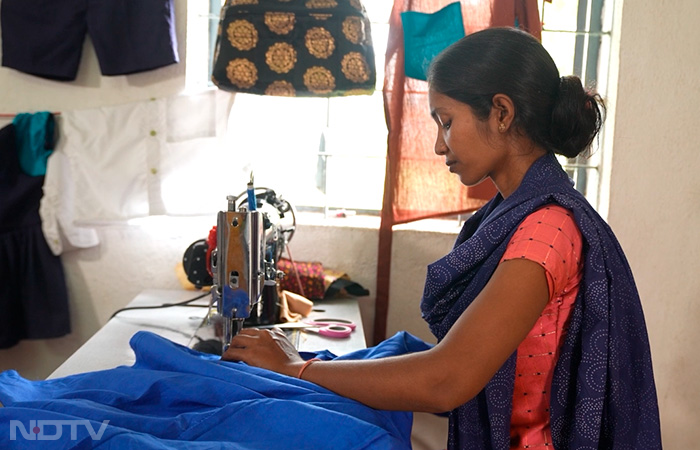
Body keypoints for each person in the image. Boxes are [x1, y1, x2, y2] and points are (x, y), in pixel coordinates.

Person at [222, 27, 662, 449]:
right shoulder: (511, 215)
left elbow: (446, 380)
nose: (438, 144)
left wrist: (298, 369)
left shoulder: (545, 231)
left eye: (446, 122)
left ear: (502, 113)